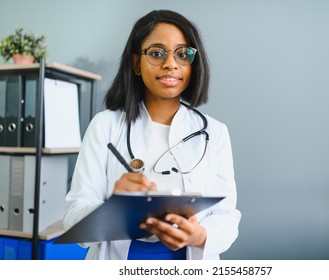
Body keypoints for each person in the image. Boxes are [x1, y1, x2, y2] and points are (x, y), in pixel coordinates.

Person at [63, 9, 241, 260]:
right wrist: (114, 207)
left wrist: (199, 236)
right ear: (136, 63)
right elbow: (73, 218)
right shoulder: (104, 126)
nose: (171, 64)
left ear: (192, 63)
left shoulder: (215, 133)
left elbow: (227, 215)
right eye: (157, 53)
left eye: (182, 54)